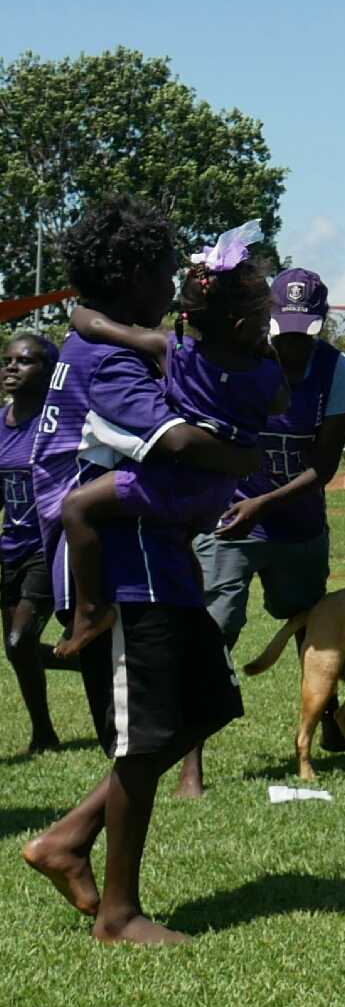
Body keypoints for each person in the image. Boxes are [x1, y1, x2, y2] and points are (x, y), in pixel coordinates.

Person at [20, 198, 257, 943]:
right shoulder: (107, 361)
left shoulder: (101, 338)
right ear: (132, 275)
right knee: (143, 734)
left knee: (205, 705)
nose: (170, 285)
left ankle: (64, 839)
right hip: (122, 565)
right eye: (162, 270)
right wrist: (243, 456)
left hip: (155, 556)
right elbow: (172, 441)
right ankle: (119, 913)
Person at [53, 241, 284, 667]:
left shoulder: (172, 351)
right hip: (217, 493)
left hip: (171, 482)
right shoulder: (268, 374)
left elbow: (98, 326)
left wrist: (79, 313)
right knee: (181, 544)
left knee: (77, 507)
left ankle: (88, 612)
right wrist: (258, 358)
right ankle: (195, 610)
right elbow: (280, 404)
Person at [180, 264, 345, 798]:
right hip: (230, 519)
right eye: (285, 331)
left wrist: (264, 503)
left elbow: (323, 467)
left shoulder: (336, 370)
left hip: (297, 524)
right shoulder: (237, 363)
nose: (295, 344)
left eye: (306, 332)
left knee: (312, 627)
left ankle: (326, 726)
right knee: (215, 629)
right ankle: (192, 760)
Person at [2, 331, 62, 753]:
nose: (10, 368)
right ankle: (43, 734)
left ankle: (98, 664)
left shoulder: (55, 424)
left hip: (48, 547)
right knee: (16, 650)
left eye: (24, 361)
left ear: (48, 372)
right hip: (10, 548)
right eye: (8, 360)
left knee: (20, 640)